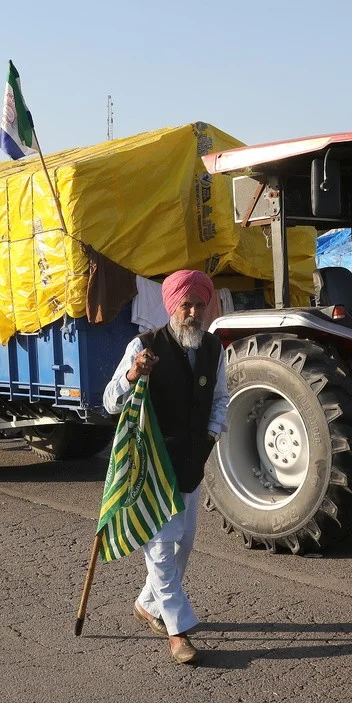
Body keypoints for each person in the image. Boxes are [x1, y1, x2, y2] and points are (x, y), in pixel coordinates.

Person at [102, 269, 229, 665]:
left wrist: (211, 435)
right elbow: (110, 402)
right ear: (172, 305)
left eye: (199, 305)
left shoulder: (212, 348)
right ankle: (178, 633)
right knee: (159, 548)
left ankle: (147, 603)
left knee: (182, 544)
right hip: (152, 467)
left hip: (191, 464)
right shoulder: (145, 346)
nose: (192, 312)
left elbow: (221, 398)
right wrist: (132, 374)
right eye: (185, 304)